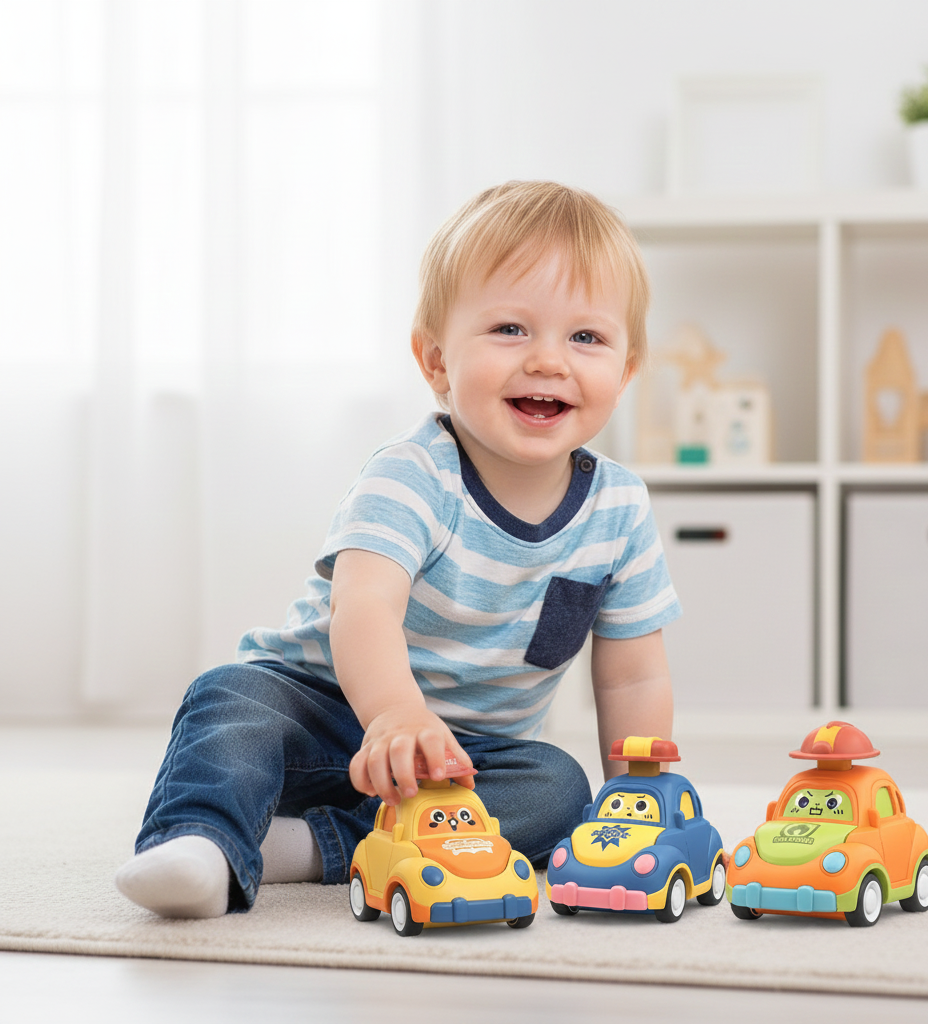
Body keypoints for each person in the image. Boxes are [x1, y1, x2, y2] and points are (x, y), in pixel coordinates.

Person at [114, 180, 680, 919]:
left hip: (465, 760)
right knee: (232, 697)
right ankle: (200, 840)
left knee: (558, 788)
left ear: (626, 371)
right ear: (437, 361)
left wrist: (638, 796)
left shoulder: (619, 508)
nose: (548, 360)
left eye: (586, 338)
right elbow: (366, 606)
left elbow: (633, 676)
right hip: (328, 714)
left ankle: (303, 849)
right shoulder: (413, 475)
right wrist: (393, 714)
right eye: (510, 329)